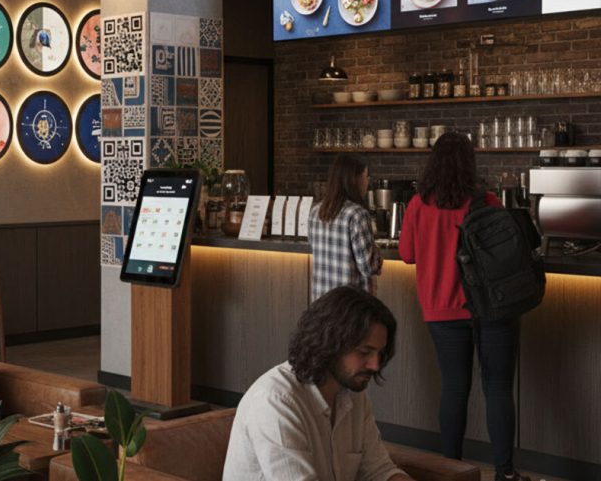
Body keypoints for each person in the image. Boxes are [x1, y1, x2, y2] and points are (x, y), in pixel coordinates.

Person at [398, 132, 529, 481]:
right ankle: (505, 473)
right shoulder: (487, 201)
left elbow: (407, 255)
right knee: (498, 388)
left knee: (454, 387)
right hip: (492, 309)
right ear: (470, 163)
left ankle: (450, 469)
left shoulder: (417, 205)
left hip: (441, 311)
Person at [223, 286, 412, 481]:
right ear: (330, 343)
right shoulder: (276, 402)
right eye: (364, 352)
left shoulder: (354, 395)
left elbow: (379, 471)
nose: (375, 365)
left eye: (380, 354)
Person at [308, 153, 382, 300]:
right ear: (355, 179)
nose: (368, 182)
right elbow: (367, 267)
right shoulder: (357, 214)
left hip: (321, 302)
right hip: (350, 307)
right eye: (366, 176)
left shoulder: (315, 211)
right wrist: (377, 253)